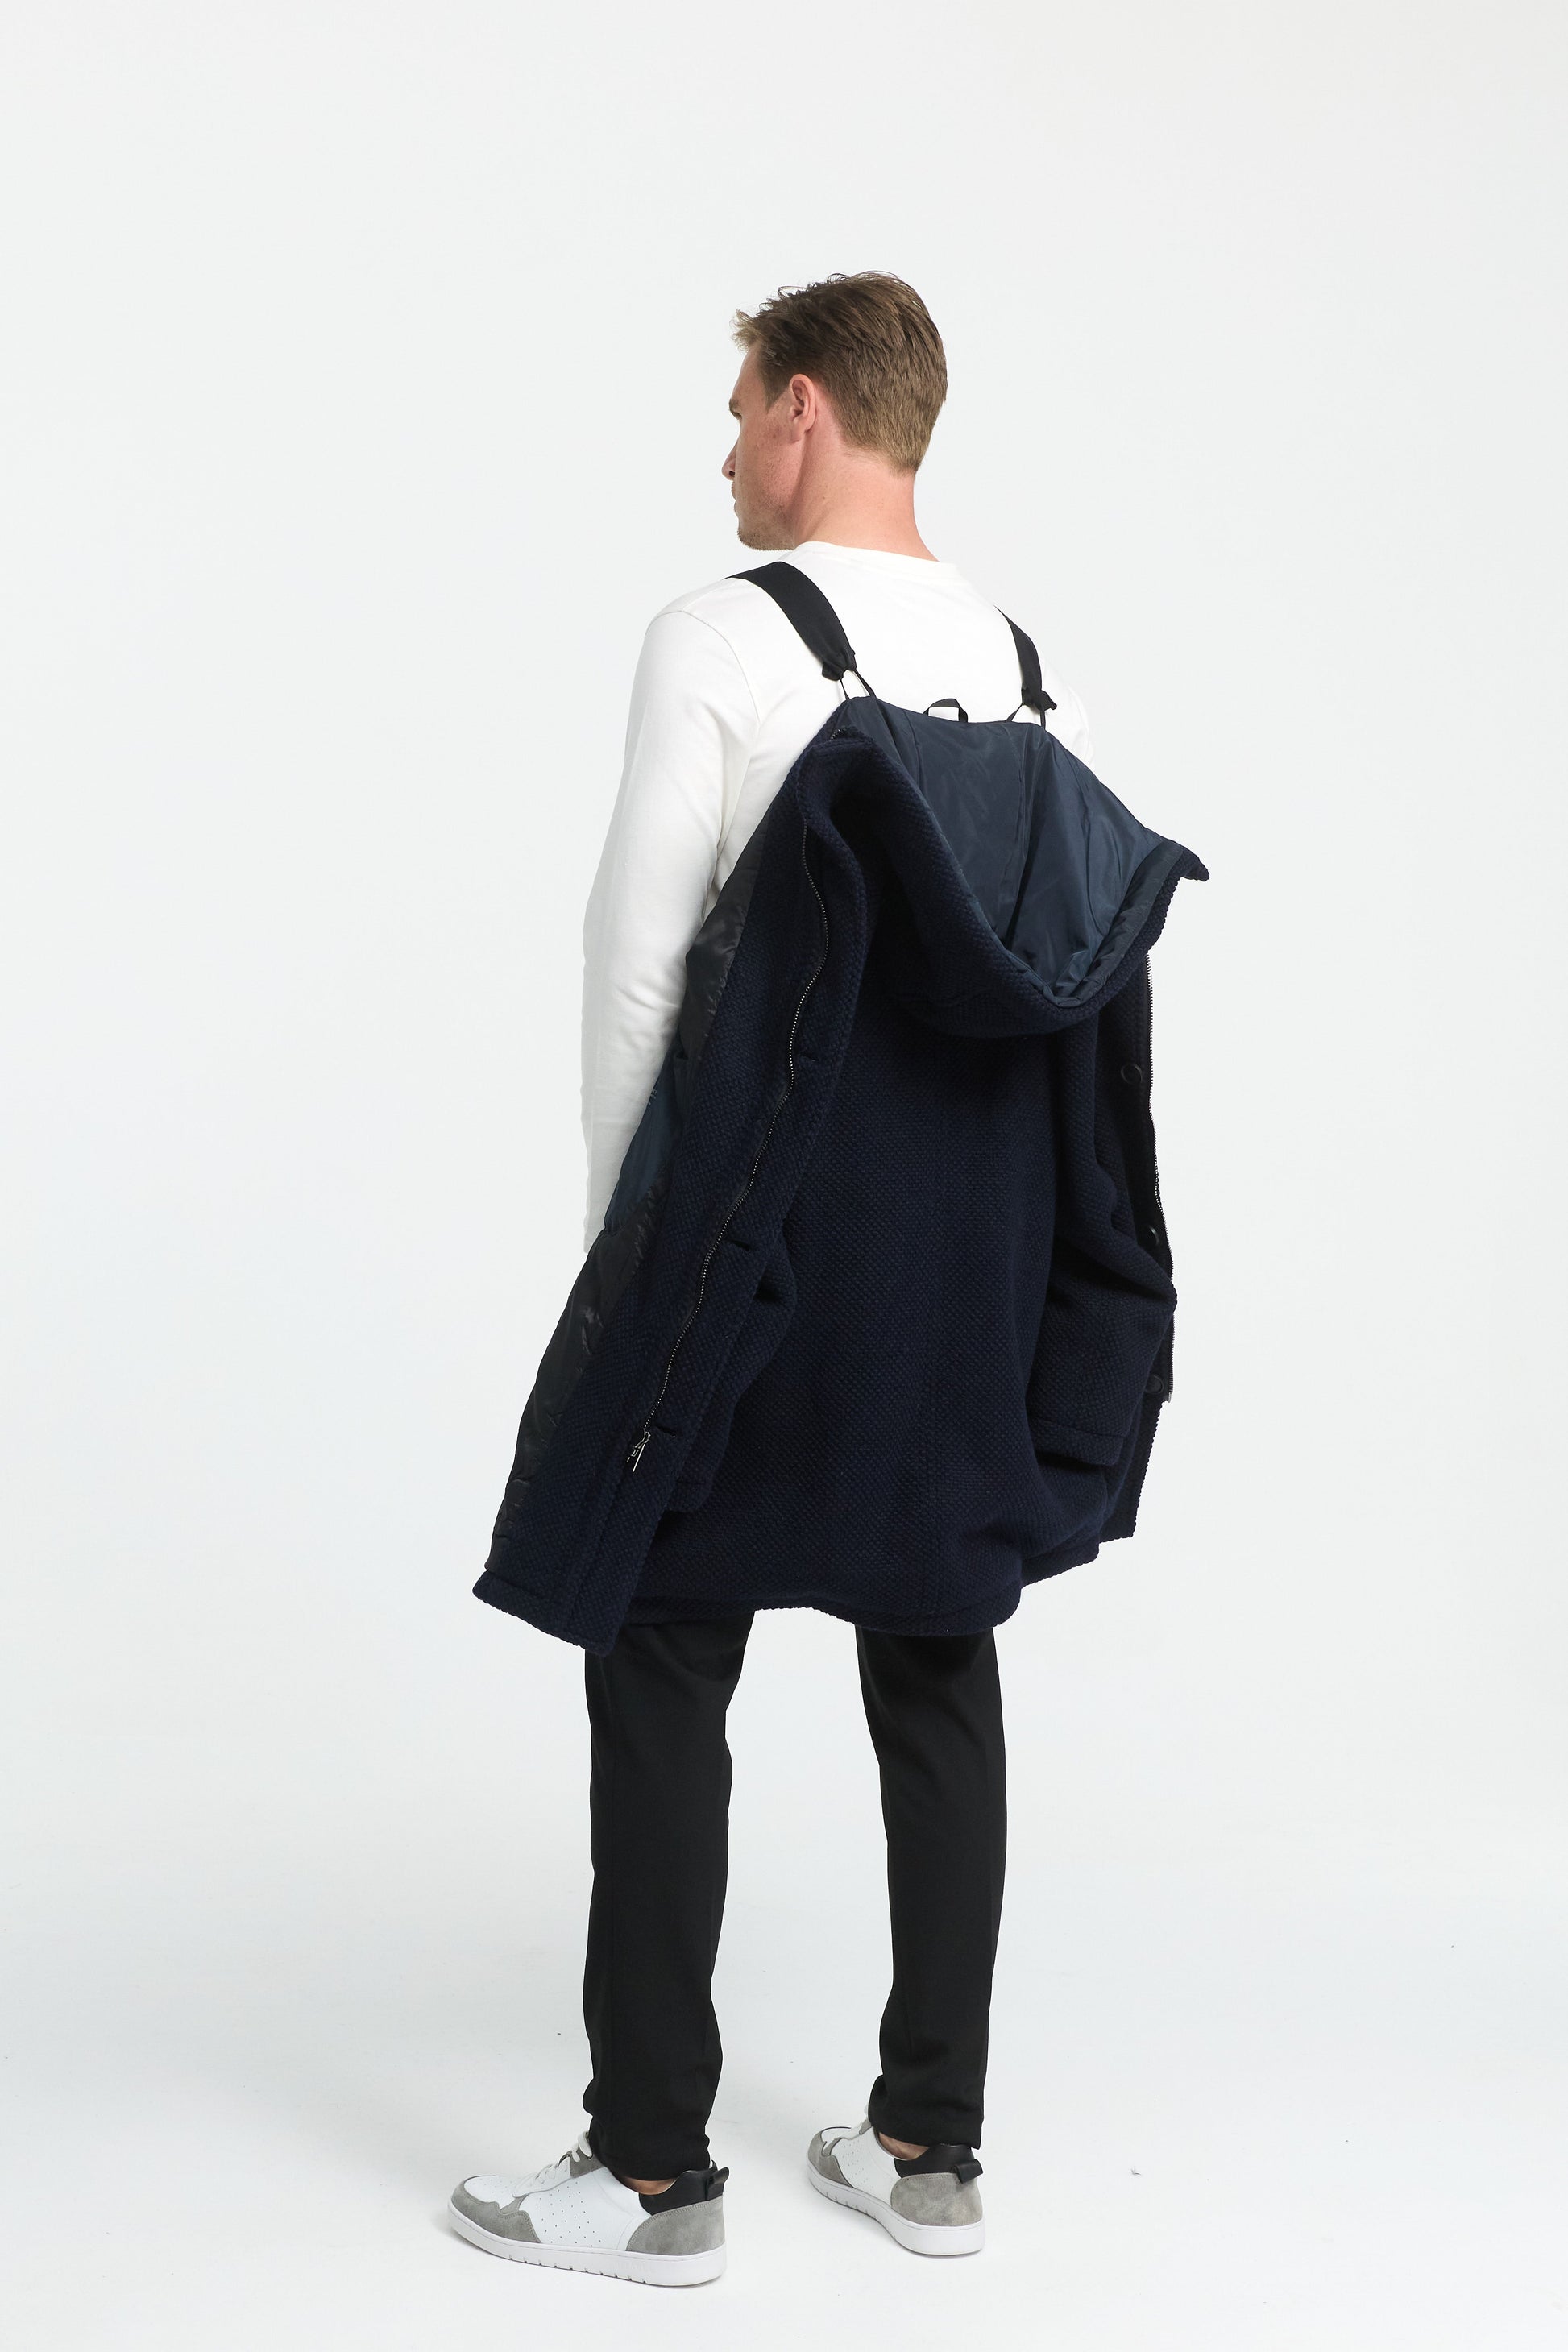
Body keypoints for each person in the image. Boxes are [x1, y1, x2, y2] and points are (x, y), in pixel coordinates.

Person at [449, 274, 1201, 2286]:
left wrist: (630, 1263)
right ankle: (929, 2146)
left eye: (735, 414)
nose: (721, 455)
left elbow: (636, 969)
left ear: (803, 407)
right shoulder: (1035, 678)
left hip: (759, 1253)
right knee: (938, 1665)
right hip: (964, 1281)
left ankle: (651, 2177)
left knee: (660, 1654)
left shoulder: (721, 637)